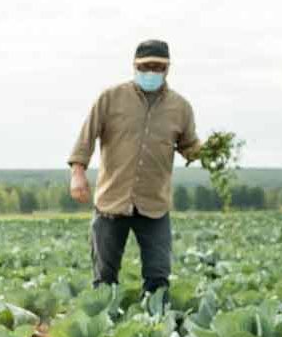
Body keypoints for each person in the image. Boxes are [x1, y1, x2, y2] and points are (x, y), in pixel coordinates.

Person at [68, 39, 204, 294]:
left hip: (154, 203)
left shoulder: (180, 107)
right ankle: (105, 329)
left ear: (167, 69)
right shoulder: (110, 98)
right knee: (104, 278)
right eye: (146, 66)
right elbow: (86, 137)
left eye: (158, 67)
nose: (151, 72)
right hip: (112, 200)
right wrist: (78, 173)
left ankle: (155, 327)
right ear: (134, 66)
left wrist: (207, 151)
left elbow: (189, 145)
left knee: (158, 276)